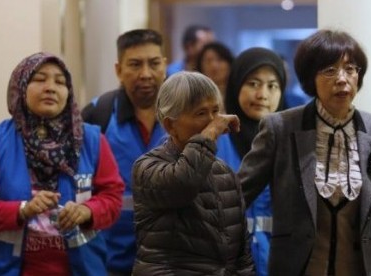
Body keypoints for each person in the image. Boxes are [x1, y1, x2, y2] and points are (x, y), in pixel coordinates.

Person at [238, 29, 371, 275]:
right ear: (310, 78)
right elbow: (239, 196)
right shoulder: (280, 128)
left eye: (350, 68)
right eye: (330, 70)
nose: (342, 79)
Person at [0, 52, 125, 275]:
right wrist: (22, 209)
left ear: (68, 92)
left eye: (60, 81)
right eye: (40, 79)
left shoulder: (92, 140)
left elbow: (113, 197)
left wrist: (86, 211)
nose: (51, 87)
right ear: (21, 86)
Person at [132, 71, 254, 275]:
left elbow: (242, 254)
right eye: (201, 113)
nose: (213, 121)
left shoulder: (224, 171)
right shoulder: (147, 167)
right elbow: (184, 183)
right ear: (170, 125)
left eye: (216, 111)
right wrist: (209, 135)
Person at [81, 29, 168, 275]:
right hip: (108, 260)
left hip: (171, 260)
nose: (146, 74)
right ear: (119, 70)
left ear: (164, 65)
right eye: (135, 64)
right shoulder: (97, 116)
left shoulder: (185, 116)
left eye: (153, 63)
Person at [216, 47, 286, 276]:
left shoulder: (291, 144)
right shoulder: (215, 142)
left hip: (278, 264)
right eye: (253, 84)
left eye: (272, 85)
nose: (262, 94)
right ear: (236, 85)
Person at [196, 41, 234, 109]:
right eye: (208, 61)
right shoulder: (194, 96)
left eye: (219, 60)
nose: (214, 66)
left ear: (229, 63)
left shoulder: (239, 93)